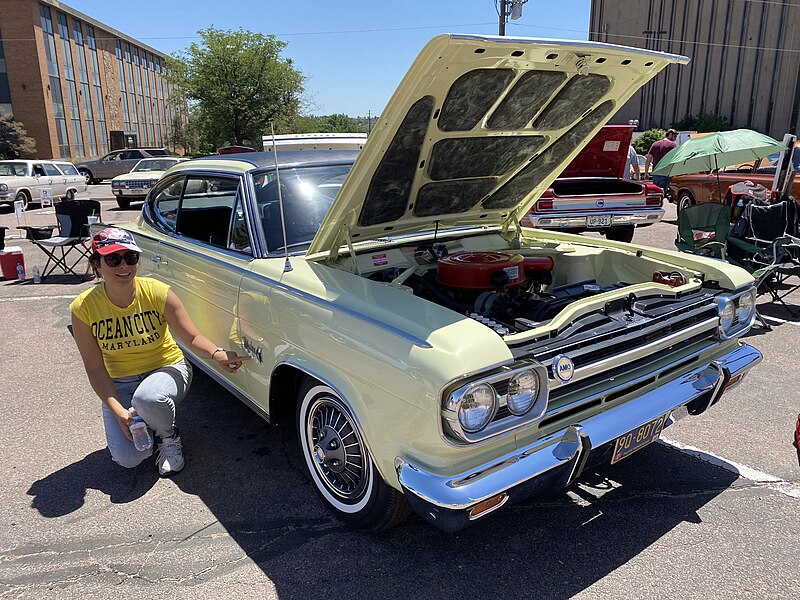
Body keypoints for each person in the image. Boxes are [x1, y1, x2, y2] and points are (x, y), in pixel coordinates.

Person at [70, 228, 249, 476]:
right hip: (120, 382)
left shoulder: (156, 292)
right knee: (129, 458)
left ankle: (168, 436)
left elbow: (192, 336)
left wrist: (217, 353)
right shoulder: (83, 308)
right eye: (113, 259)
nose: (123, 266)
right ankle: (145, 418)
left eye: (130, 257)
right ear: (97, 263)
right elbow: (95, 368)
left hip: (166, 369)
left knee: (149, 398)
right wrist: (119, 412)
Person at [645, 128, 678, 194]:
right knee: (662, 193)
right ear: (670, 135)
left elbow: (649, 158)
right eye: (675, 136)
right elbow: (675, 159)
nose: (675, 139)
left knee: (655, 193)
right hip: (665, 173)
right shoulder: (672, 145)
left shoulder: (655, 144)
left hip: (655, 173)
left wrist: (646, 172)